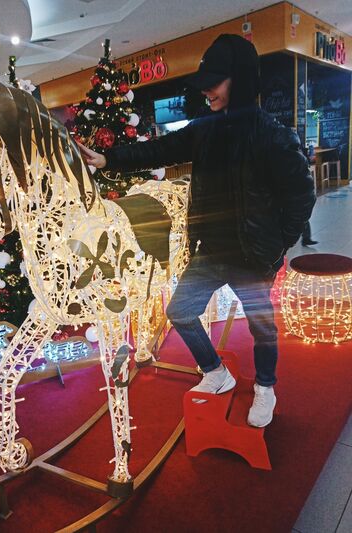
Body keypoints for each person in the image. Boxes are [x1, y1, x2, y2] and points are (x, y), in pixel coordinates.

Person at [79, 34, 316, 427]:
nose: (206, 90)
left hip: (253, 257)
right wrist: (107, 159)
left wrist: (276, 247)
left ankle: (266, 387)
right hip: (211, 252)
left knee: (262, 328)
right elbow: (158, 149)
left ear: (240, 79)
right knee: (180, 312)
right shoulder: (204, 129)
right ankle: (215, 371)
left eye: (215, 81)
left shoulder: (272, 135)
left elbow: (301, 196)